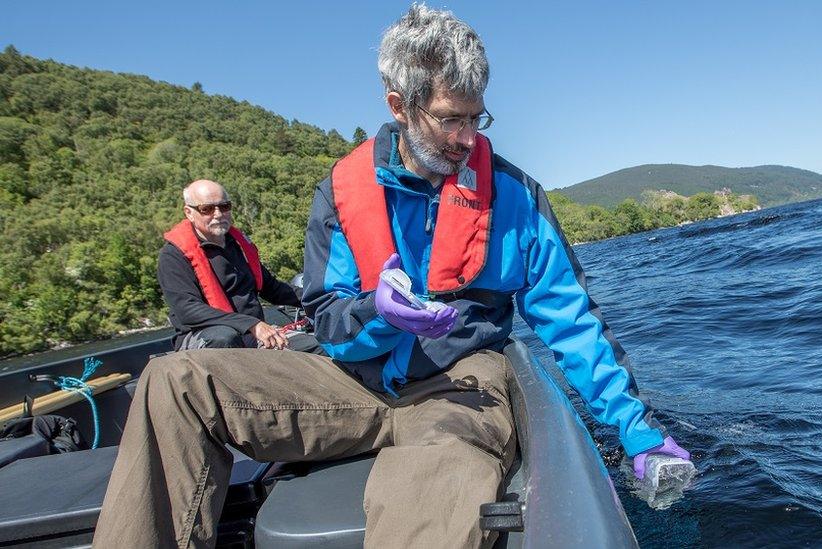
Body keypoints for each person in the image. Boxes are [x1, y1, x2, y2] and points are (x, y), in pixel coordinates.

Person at [93, 6, 689, 548]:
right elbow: (328, 320)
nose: (467, 139)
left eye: (476, 118)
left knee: (437, 486)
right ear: (398, 105)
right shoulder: (341, 193)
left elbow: (571, 322)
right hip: (351, 379)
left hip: (458, 384)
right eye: (450, 118)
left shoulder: (515, 198)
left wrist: (638, 433)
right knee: (175, 380)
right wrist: (377, 314)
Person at [157, 179, 313, 351]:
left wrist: (321, 298)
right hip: (205, 337)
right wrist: (250, 324)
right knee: (224, 338)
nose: (218, 214)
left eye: (224, 206)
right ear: (189, 212)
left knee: (319, 349)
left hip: (252, 332)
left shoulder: (238, 246)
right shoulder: (173, 256)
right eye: (207, 209)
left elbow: (272, 288)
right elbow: (188, 311)